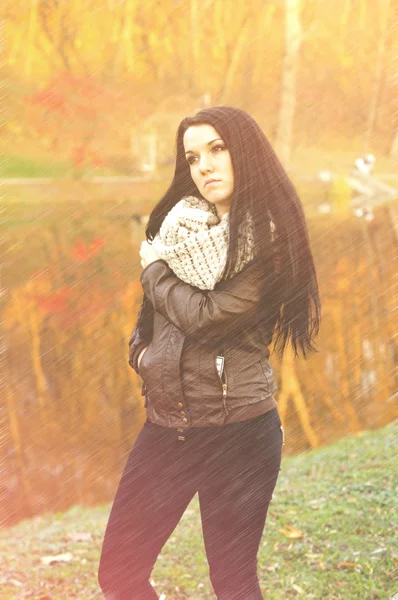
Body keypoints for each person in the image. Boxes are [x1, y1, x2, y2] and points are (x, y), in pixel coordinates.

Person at [98, 106, 321, 600]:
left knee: (233, 582)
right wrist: (143, 357)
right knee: (118, 572)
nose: (205, 166)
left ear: (245, 153)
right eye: (193, 156)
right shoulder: (177, 233)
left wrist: (153, 269)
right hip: (167, 428)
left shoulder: (267, 239)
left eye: (218, 149)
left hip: (239, 433)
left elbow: (207, 315)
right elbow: (148, 321)